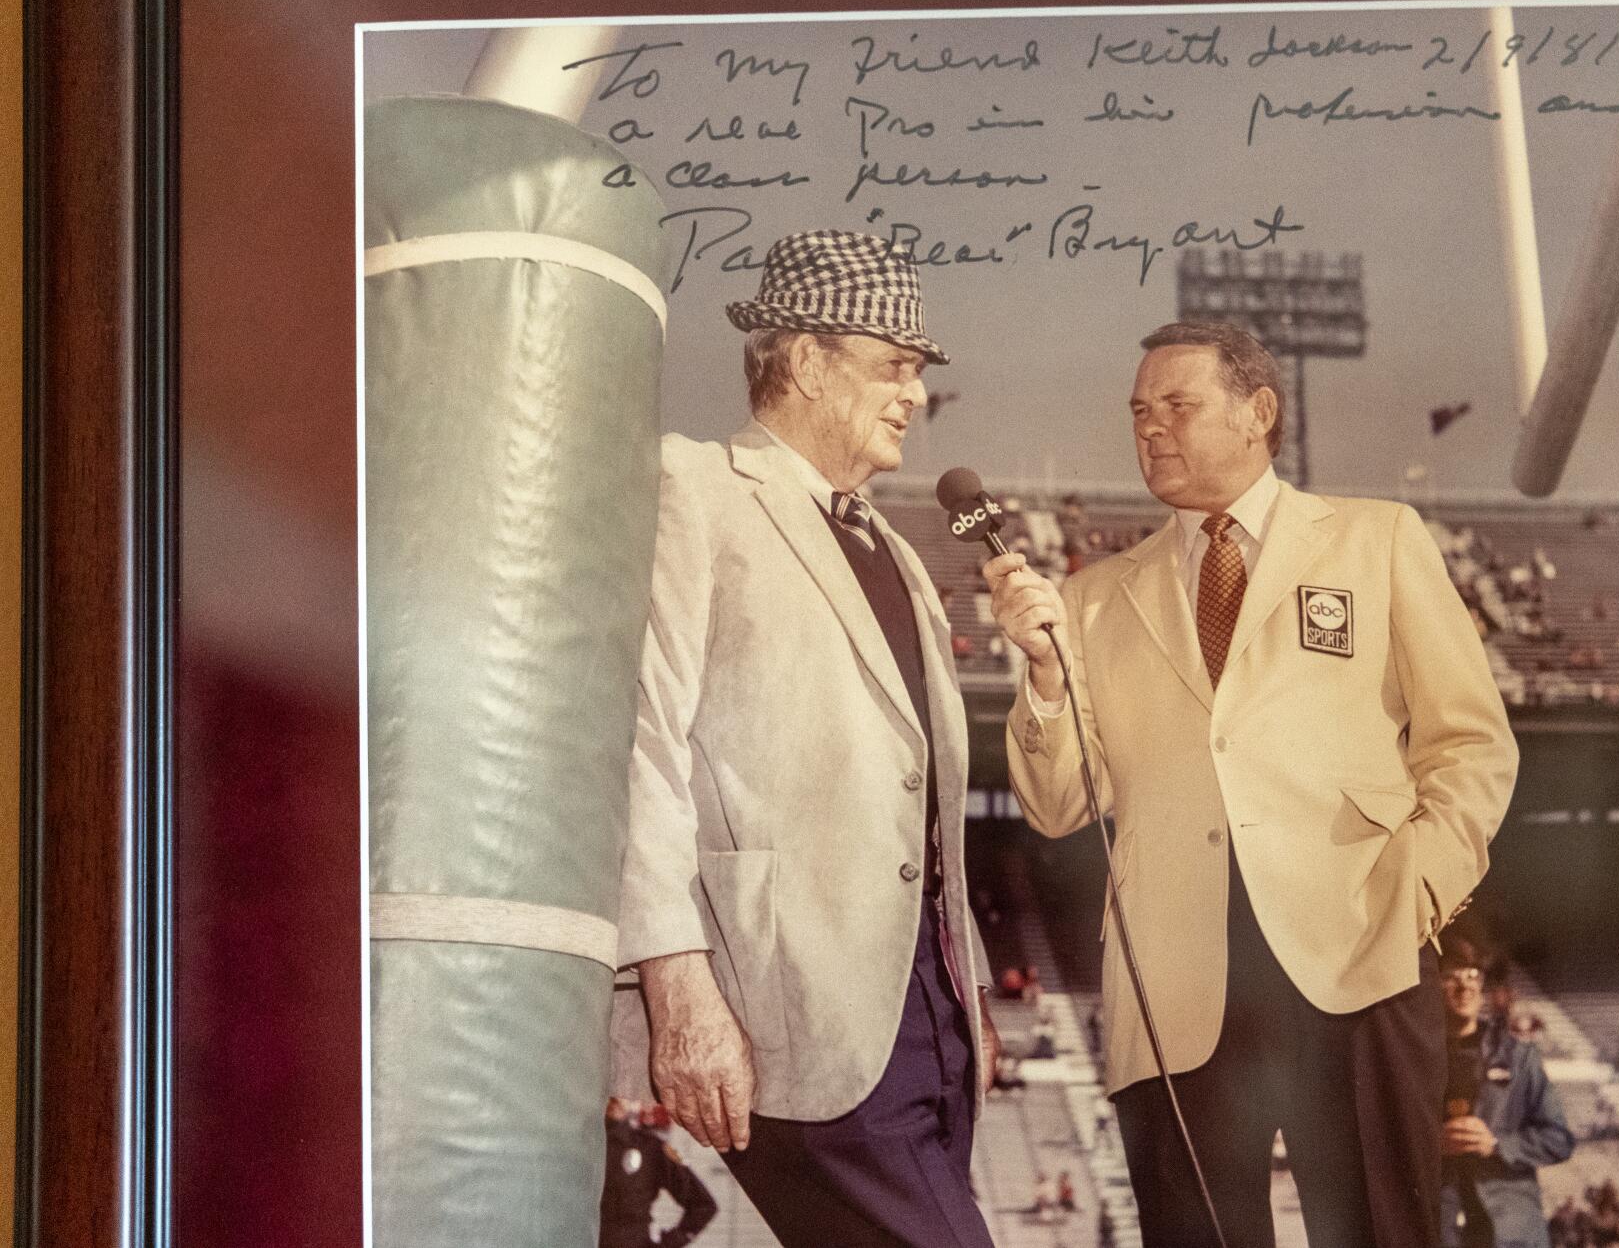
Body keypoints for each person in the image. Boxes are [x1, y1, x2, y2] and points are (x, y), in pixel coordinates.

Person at [986, 321, 1519, 1248]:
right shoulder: (1093, 597)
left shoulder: (1378, 539)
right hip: (1173, 987)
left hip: (1360, 961)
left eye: (1177, 405)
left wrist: (1419, 887)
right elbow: (1059, 801)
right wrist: (1042, 680)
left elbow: (1471, 743)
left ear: (1257, 412)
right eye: (1139, 411)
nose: (1151, 427)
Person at [613, 230, 1000, 1247]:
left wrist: (964, 986)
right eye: (894, 366)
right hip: (787, 1009)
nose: (915, 393)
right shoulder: (692, 487)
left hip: (927, 1026)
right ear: (808, 363)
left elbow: (921, 801)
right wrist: (677, 986)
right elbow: (638, 746)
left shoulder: (896, 550)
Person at [1437, 945, 1573, 1248]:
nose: (1464, 986)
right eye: (1451, 976)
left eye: (1472, 975)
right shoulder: (1416, 1063)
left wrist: (1497, 1144)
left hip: (1510, 1232)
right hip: (1440, 1227)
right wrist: (1431, 1145)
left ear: (1482, 986)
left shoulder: (1518, 1057)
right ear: (1434, 986)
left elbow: (1559, 1139)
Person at [599, 1098, 718, 1248]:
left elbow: (702, 1204)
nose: (614, 1100)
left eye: (620, 1095)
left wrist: (667, 1244)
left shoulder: (649, 1148)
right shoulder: (577, 1146)